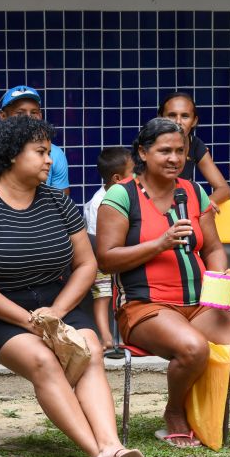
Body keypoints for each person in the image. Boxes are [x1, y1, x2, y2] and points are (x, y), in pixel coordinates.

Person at [0, 116, 147, 457]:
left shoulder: (59, 202)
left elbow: (87, 263)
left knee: (88, 348)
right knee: (43, 359)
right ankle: (101, 455)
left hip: (55, 303)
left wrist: (57, 312)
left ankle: (113, 446)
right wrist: (28, 320)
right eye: (41, 152)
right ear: (12, 156)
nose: (50, 160)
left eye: (50, 152)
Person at [96, 117, 230, 447]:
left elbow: (213, 248)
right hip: (144, 307)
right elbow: (106, 257)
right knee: (193, 348)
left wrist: (219, 280)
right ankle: (175, 412)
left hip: (198, 303)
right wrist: (160, 243)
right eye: (164, 151)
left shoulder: (193, 191)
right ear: (143, 153)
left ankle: (198, 403)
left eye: (180, 151)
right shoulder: (121, 195)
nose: (174, 158)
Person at [0, 85, 70, 194]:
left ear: (40, 115)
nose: (28, 117)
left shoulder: (55, 154)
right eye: (19, 113)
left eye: (34, 112)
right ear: (3, 116)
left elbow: (60, 204)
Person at [83, 147, 134, 349]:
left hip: (120, 254)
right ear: (117, 178)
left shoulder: (130, 193)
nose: (137, 176)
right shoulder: (99, 202)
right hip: (99, 256)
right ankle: (105, 336)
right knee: (103, 294)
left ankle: (126, 335)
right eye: (133, 172)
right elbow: (97, 239)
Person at [157, 92, 230, 209]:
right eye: (172, 115)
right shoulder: (150, 144)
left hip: (180, 209)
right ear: (160, 118)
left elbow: (224, 189)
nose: (178, 121)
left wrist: (204, 205)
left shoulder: (195, 144)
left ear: (194, 121)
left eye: (185, 116)